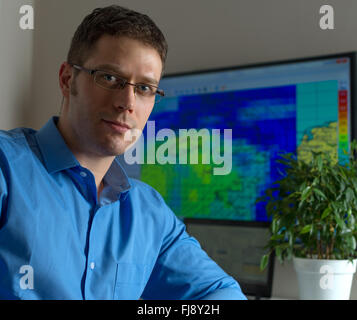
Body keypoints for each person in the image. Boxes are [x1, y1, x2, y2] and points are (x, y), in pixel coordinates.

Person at [0, 5, 246, 300]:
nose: (127, 102)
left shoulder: (149, 212)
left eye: (144, 88)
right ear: (67, 80)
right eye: (109, 78)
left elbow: (222, 294)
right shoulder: (7, 170)